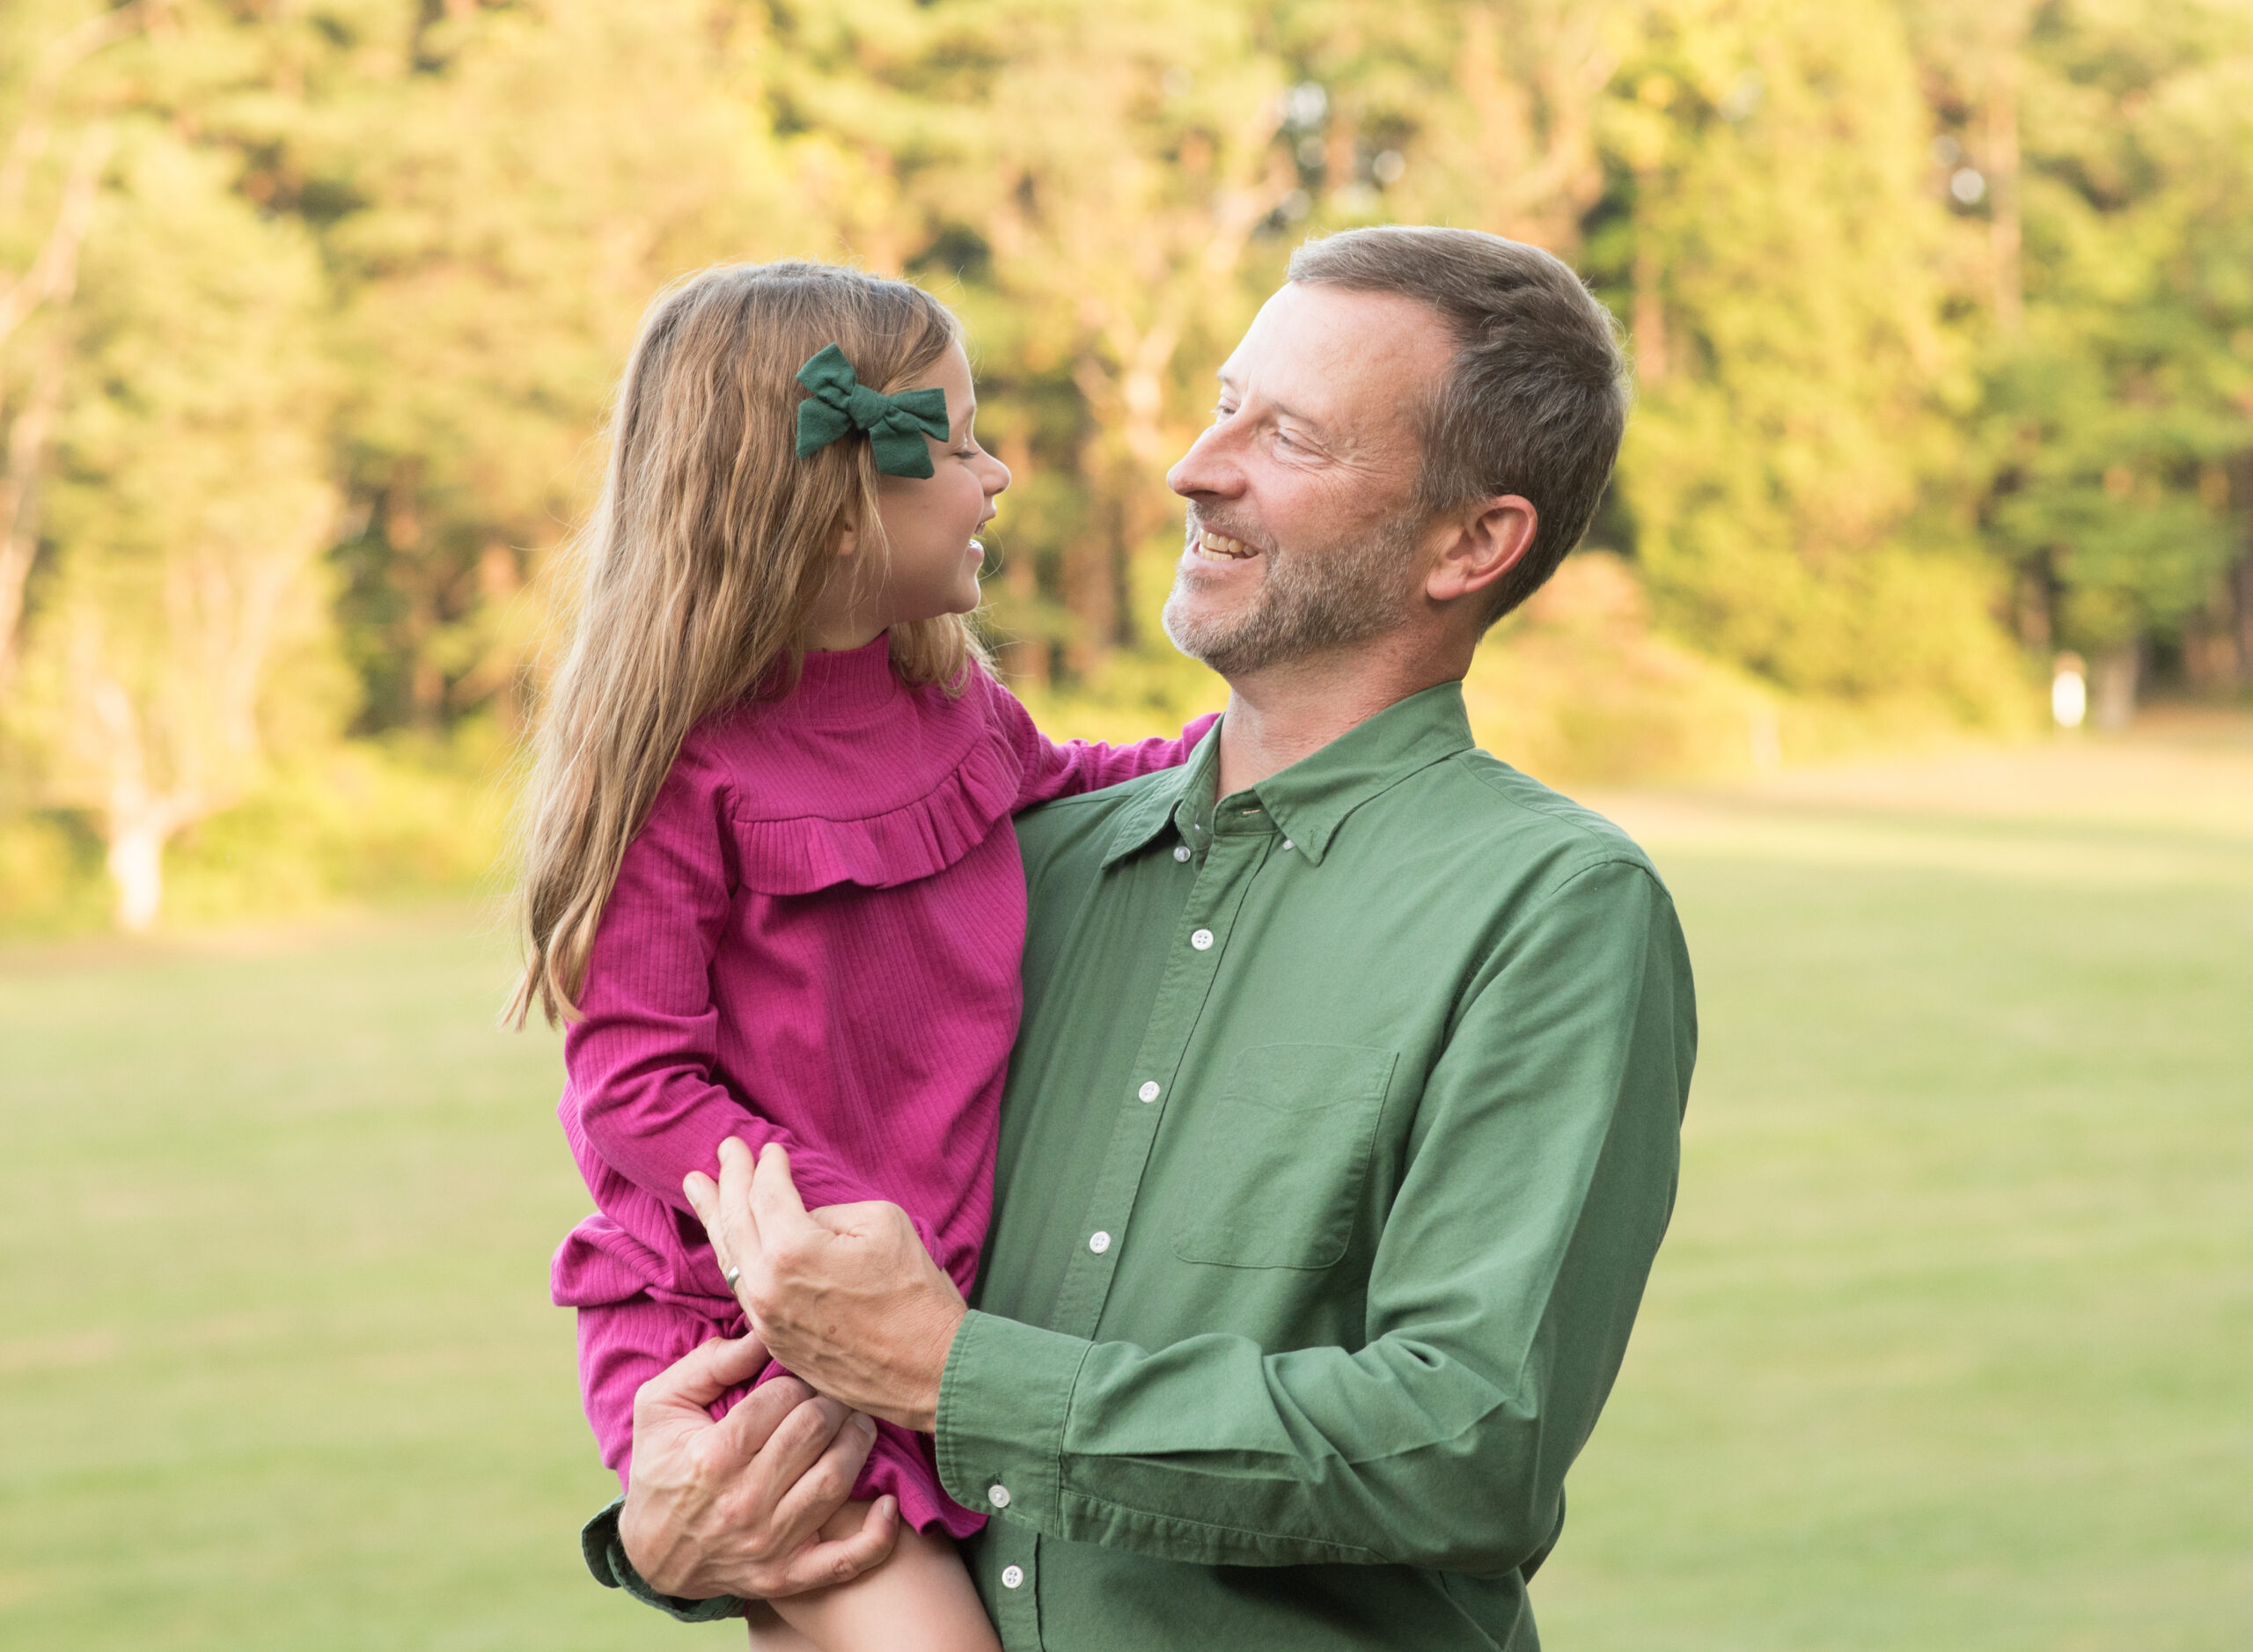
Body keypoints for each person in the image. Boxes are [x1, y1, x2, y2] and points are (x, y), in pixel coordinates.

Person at [589, 226, 1699, 1650]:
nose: (1196, 464)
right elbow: (682, 1186)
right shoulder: (998, 859)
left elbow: (1461, 1444)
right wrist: (662, 1533)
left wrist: (956, 1375)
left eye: (1286, 434)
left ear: (1472, 542)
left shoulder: (1548, 906)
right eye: (1224, 400)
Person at [508, 261, 1208, 1652]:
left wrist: (1245, 748)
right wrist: (840, 1225)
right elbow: (637, 1086)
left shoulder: (949, 698)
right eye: (954, 445)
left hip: (928, 1307)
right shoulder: (680, 773)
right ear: (837, 504)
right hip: (755, 1324)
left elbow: (1072, 789)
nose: (998, 474)